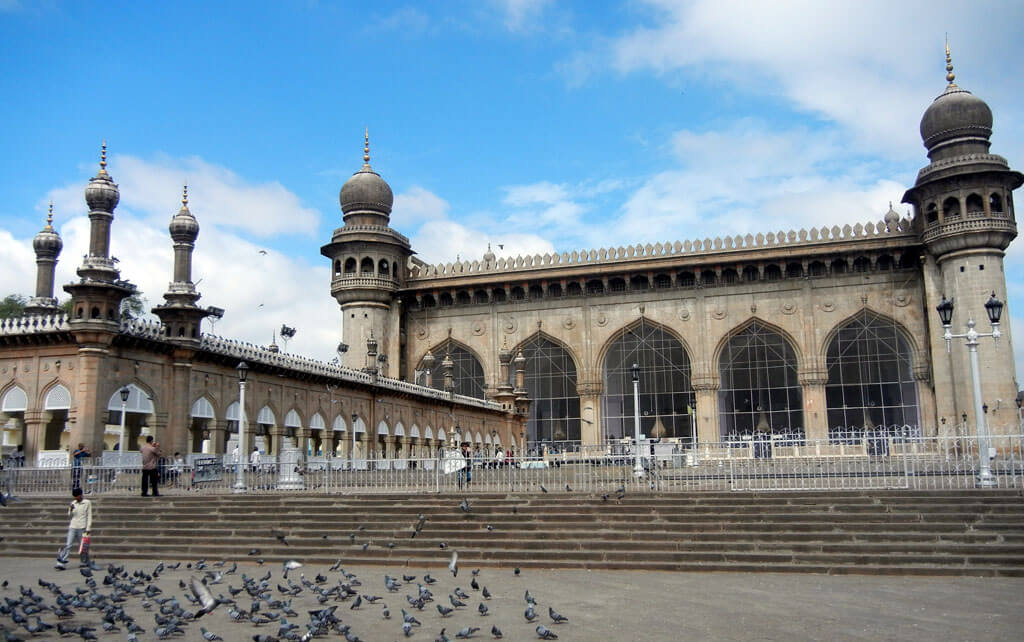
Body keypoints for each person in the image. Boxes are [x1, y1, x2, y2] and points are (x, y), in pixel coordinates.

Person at [57, 487, 92, 568]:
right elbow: (69, 515)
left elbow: (89, 515)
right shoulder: (73, 503)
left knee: (82, 546)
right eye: (75, 497)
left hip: (82, 527)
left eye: (77, 496)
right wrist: (71, 509)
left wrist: (88, 528)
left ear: (81, 495)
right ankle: (61, 562)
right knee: (68, 544)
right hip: (73, 526)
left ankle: (84, 562)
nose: (76, 498)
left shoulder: (87, 503)